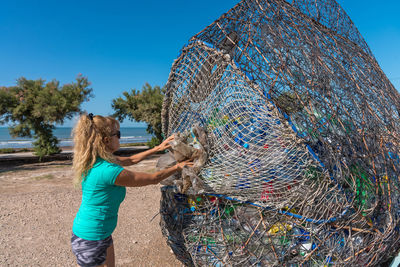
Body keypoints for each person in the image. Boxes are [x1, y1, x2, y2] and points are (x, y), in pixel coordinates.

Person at [70, 113, 193, 267]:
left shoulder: (97, 160)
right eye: (118, 134)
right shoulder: (108, 171)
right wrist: (178, 166)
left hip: (99, 232)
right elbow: (153, 178)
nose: (120, 137)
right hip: (91, 238)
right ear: (106, 140)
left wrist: (158, 148)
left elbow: (131, 160)